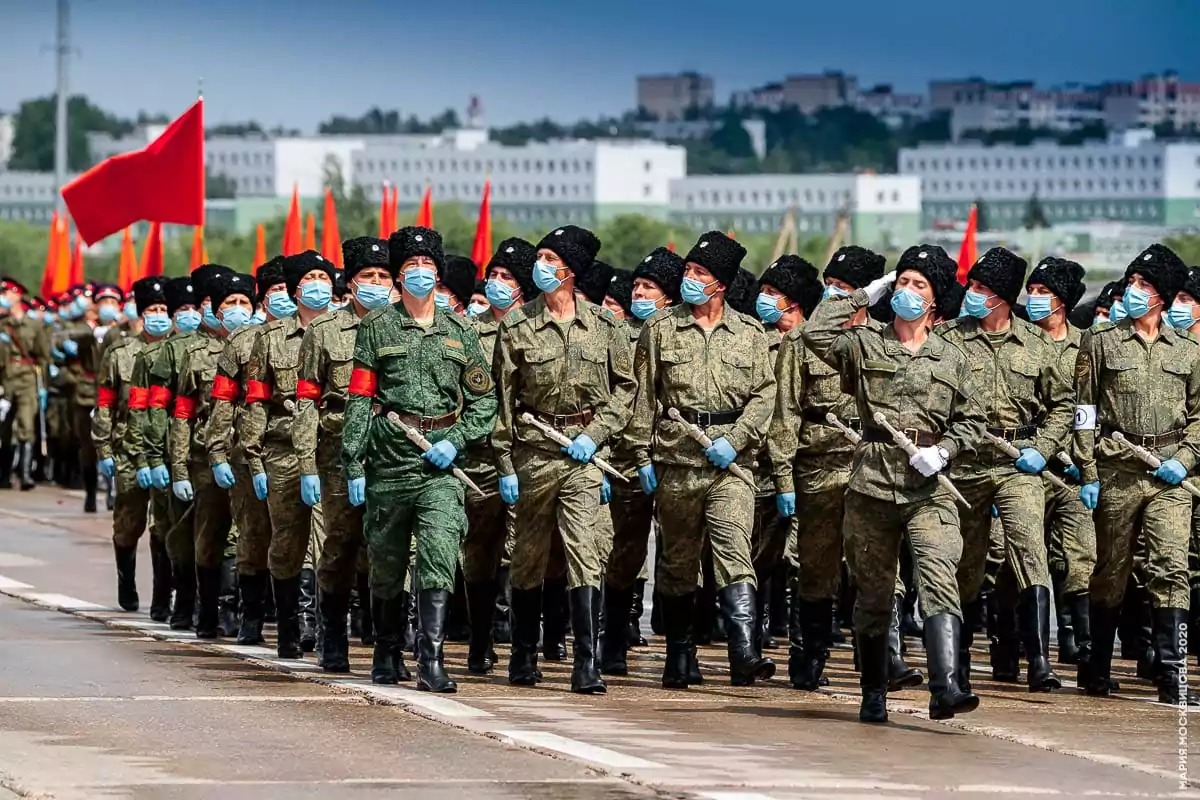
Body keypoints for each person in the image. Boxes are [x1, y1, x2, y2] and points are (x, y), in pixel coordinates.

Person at [803, 244, 985, 723]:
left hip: (929, 488)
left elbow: (973, 421)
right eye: (902, 281)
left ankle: (945, 686)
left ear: (934, 300)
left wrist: (944, 451)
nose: (906, 290)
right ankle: (874, 689)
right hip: (873, 485)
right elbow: (813, 333)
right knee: (875, 592)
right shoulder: (864, 344)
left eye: (917, 285)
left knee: (938, 575)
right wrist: (864, 293)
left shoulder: (954, 357)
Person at [343, 226, 498, 693]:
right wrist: (354, 460)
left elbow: (484, 400)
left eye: (427, 265)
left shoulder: (460, 331)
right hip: (390, 460)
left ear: (438, 271)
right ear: (397, 275)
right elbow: (358, 398)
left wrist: (461, 439)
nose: (419, 273)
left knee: (439, 551)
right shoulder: (376, 326)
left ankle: (431, 658)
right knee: (387, 563)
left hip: (442, 463)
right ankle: (387, 651)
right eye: (410, 266)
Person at [625, 231, 777, 690]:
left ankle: (744, 651)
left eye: (700, 273)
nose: (689, 279)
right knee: (678, 560)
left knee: (733, 548)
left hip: (731, 465)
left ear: (721, 285)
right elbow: (642, 396)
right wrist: (640, 453)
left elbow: (766, 393)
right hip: (677, 462)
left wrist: (737, 437)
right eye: (688, 271)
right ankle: (680, 653)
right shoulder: (660, 329)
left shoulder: (750, 333)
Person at [492, 225, 636, 694]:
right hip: (534, 453)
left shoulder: (607, 326)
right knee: (529, 557)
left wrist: (596, 436)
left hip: (583, 455)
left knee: (584, 553)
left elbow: (625, 389)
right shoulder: (517, 325)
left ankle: (586, 661)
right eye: (541, 258)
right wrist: (505, 463)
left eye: (551, 259)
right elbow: (503, 401)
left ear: (571, 270)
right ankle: (523, 654)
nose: (541, 266)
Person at [771, 246, 921, 693]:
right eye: (829, 287)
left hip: (874, 466)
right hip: (819, 469)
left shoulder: (884, 339)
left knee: (879, 567)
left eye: (844, 290)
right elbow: (786, 414)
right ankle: (809, 656)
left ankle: (884, 657)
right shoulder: (804, 343)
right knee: (817, 568)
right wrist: (783, 478)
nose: (832, 296)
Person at [936, 247, 1075, 693]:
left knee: (1029, 549)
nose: (972, 295)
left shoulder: (1036, 345)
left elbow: (1062, 407)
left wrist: (1044, 447)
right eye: (972, 286)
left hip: (1019, 464)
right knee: (965, 561)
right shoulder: (949, 339)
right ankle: (955, 661)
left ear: (1002, 296)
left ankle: (1038, 661)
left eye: (981, 289)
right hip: (967, 464)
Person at [1073, 244, 1200, 705]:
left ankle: (1172, 671)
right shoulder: (1101, 341)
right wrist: (1087, 468)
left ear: (1164, 296)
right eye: (1132, 281)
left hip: (1169, 473)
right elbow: (1083, 410)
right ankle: (1098, 664)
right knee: (1111, 570)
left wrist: (1185, 459)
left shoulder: (1187, 351)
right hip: (1117, 467)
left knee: (1171, 567)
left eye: (1146, 285)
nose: (1135, 290)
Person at [293, 237, 392, 673]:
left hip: (393, 453)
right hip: (337, 452)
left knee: (392, 548)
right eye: (367, 276)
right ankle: (333, 637)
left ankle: (389, 643)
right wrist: (306, 463)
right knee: (339, 547)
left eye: (384, 276)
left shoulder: (404, 326)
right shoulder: (324, 331)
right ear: (350, 283)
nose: (377, 283)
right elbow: (306, 400)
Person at [243, 251, 335, 658]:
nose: (318, 283)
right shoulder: (270, 338)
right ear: (296, 289)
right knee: (287, 541)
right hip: (282, 453)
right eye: (310, 277)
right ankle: (288, 627)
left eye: (324, 276)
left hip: (329, 450)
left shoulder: (343, 332)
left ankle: (316, 624)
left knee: (328, 539)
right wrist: (252, 456)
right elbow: (256, 402)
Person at [599, 248, 685, 675]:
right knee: (625, 550)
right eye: (636, 285)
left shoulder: (680, 333)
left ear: (668, 296)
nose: (638, 292)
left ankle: (680, 652)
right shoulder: (615, 332)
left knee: (678, 553)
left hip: (674, 456)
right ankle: (613, 639)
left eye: (648, 287)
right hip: (624, 458)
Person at [461, 237, 538, 675]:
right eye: (493, 275)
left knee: (520, 550)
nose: (496, 283)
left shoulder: (533, 328)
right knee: (480, 550)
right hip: (481, 457)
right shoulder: (470, 332)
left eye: (507, 277)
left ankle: (517, 644)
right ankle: (480, 639)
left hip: (526, 455)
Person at [169, 271, 256, 640]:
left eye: (244, 303)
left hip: (249, 456)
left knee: (243, 535)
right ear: (217, 312)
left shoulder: (261, 346)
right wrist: (178, 466)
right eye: (229, 304)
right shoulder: (196, 354)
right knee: (209, 536)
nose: (237, 310)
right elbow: (183, 414)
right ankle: (205, 609)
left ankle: (228, 609)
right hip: (208, 458)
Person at [206, 256, 288, 645]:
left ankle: (301, 622)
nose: (284, 298)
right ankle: (249, 616)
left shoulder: (312, 335)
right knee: (252, 535)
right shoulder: (242, 342)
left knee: (298, 538)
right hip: (249, 452)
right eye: (275, 292)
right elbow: (224, 403)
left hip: (297, 451)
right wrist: (218, 452)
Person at [1021, 258, 1095, 673]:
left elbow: (1087, 408)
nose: (1033, 299)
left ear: (1063, 301)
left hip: (1069, 470)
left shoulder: (1085, 346)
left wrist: (1088, 463)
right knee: (1024, 560)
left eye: (1042, 292)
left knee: (1080, 557)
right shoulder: (1019, 341)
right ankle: (1018, 648)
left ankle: (1079, 645)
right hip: (1025, 468)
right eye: (1030, 291)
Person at [750, 256, 823, 656]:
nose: (763, 299)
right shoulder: (756, 342)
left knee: (802, 559)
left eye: (772, 293)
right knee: (759, 555)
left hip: (809, 464)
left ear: (794, 302)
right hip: (762, 464)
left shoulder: (821, 344)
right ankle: (753, 639)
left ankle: (802, 650)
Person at [94, 276, 172, 613]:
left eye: (164, 309)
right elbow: (105, 405)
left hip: (166, 451)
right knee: (128, 526)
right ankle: (126, 579)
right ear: (141, 315)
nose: (159, 315)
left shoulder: (178, 350)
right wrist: (104, 449)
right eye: (152, 309)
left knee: (163, 527)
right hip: (128, 451)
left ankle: (160, 596)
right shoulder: (121, 353)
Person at [127, 276, 200, 623]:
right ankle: (163, 594)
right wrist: (147, 457)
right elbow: (144, 409)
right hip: (170, 451)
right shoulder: (155, 355)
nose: (189, 315)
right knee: (166, 526)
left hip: (204, 451)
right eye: (181, 310)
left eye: (193, 308)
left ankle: (203, 601)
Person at [0, 277, 50, 491]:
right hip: (5, 379)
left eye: (6, 294)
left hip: (27, 380)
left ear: (17, 296)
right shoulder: (2, 323)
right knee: (4, 429)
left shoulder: (33, 326)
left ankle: (25, 474)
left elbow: (43, 355)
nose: (2, 298)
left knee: (26, 427)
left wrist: (43, 385)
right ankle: (4, 475)